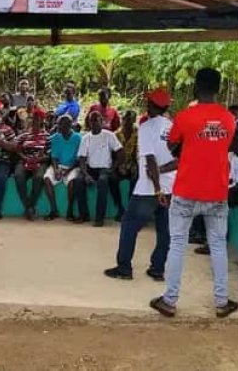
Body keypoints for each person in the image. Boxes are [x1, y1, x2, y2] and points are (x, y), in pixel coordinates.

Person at [150, 68, 238, 319]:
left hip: (187, 190)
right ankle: (222, 301)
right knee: (218, 245)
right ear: (218, 88)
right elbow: (228, 144)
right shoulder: (229, 119)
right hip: (217, 192)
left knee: (177, 244)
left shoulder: (185, 116)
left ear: (196, 87)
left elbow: (171, 145)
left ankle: (169, 300)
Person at [104, 89, 176, 281]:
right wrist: (163, 182)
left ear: (151, 105)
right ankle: (158, 269)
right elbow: (180, 159)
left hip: (148, 188)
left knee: (129, 225)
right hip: (171, 187)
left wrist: (157, 187)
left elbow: (150, 159)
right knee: (165, 230)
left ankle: (124, 268)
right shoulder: (173, 127)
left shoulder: (146, 128)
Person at [75, 111, 123, 227]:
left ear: (102, 121)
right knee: (79, 180)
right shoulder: (86, 138)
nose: (94, 123)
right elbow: (81, 159)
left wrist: (113, 168)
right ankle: (84, 214)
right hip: (90, 168)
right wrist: (86, 174)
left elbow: (120, 152)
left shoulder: (108, 135)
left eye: (97, 120)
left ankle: (99, 218)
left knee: (102, 181)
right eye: (92, 120)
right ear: (89, 123)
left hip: (105, 169)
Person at [43, 115, 82, 221]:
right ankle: (53, 210)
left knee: (72, 182)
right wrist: (56, 169)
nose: (60, 127)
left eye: (63, 124)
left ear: (70, 125)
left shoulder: (78, 138)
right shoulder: (56, 137)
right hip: (58, 166)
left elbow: (79, 159)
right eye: (59, 124)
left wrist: (67, 171)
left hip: (72, 167)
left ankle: (70, 211)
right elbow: (54, 157)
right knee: (47, 179)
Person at [14, 109, 49, 221]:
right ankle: (29, 207)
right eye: (34, 120)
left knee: (39, 177)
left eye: (38, 120)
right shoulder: (24, 135)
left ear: (42, 122)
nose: (35, 122)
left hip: (40, 161)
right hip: (24, 160)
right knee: (18, 175)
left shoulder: (47, 136)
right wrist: (24, 157)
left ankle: (30, 206)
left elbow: (50, 155)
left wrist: (38, 159)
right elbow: (16, 149)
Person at [111, 110, 138, 221]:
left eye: (130, 120)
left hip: (132, 164)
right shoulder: (116, 134)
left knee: (136, 179)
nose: (127, 123)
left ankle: (131, 210)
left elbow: (138, 152)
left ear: (134, 121)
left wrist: (134, 165)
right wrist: (119, 166)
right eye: (126, 120)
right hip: (120, 164)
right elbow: (113, 154)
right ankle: (120, 208)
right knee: (112, 179)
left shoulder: (138, 133)